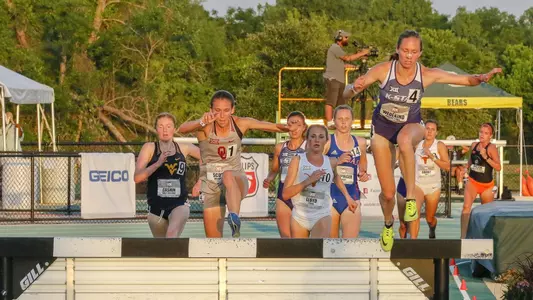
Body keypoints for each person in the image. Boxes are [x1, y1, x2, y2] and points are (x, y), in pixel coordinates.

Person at [343, 29, 502, 251]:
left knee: (406, 138)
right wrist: (353, 88)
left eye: (414, 52)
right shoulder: (383, 70)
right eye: (405, 51)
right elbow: (345, 95)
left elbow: (464, 80)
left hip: (411, 125)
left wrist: (482, 77)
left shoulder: (426, 74)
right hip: (382, 131)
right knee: (388, 194)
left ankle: (410, 199)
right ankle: (389, 223)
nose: (409, 56)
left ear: (420, 53)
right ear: (397, 50)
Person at [177, 90, 289, 238]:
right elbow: (182, 129)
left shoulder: (240, 123)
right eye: (217, 111)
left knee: (228, 175)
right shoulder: (205, 125)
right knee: (213, 240)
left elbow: (270, 126)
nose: (222, 116)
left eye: (226, 110)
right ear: (211, 110)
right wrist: (201, 121)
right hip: (212, 187)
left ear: (232, 110)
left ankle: (234, 217)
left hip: (236, 180)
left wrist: (291, 127)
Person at [282, 124, 357, 238]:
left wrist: (348, 197)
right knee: (300, 254)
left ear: (326, 141)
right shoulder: (297, 160)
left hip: (321, 214)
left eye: (321, 137)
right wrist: (307, 181)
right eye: (313, 136)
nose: (317, 140)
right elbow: (285, 194)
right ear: (307, 139)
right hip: (300, 216)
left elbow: (336, 177)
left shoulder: (331, 162)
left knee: (317, 251)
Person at [134, 112, 201, 238]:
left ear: (174, 129)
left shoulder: (184, 147)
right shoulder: (149, 148)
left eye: (169, 126)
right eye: (161, 126)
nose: (165, 130)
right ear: (156, 129)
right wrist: (157, 164)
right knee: (163, 249)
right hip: (156, 209)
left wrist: (201, 181)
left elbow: (209, 158)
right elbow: (137, 178)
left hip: (179, 204)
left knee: (171, 234)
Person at [396, 120, 449, 239]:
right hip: (418, 184)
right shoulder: (416, 144)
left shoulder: (439, 145)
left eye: (432, 129)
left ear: (436, 132)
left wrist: (432, 157)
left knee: (430, 218)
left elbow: (447, 167)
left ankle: (432, 227)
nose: (429, 131)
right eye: (427, 128)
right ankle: (413, 244)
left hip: (433, 187)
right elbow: (401, 153)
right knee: (415, 213)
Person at [324, 105, 369, 238]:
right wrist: (337, 160)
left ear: (352, 121)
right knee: (330, 247)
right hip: (330, 197)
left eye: (347, 119)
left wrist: (363, 172)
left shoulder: (360, 142)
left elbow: (363, 161)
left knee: (349, 245)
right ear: (334, 120)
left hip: (352, 195)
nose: (343, 122)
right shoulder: (327, 142)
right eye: (340, 119)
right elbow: (316, 165)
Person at [263, 111, 307, 238]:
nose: (293, 127)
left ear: (304, 127)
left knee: (300, 238)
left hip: (302, 194)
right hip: (283, 193)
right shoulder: (280, 147)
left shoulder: (308, 146)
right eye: (290, 124)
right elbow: (275, 170)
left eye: (297, 124)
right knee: (286, 237)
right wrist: (269, 179)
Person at [461, 123, 501, 238]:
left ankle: (485, 237)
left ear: (490, 136)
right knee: (466, 208)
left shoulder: (491, 148)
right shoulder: (474, 145)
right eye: (481, 132)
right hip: (473, 182)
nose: (482, 135)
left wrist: (486, 157)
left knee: (486, 213)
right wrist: (465, 168)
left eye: (486, 133)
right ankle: (463, 238)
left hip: (487, 186)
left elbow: (498, 167)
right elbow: (470, 161)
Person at [323, 30, 370, 128]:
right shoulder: (335, 47)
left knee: (341, 102)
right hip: (333, 78)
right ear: (339, 38)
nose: (347, 39)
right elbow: (348, 58)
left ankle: (340, 122)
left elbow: (341, 62)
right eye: (346, 37)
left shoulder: (338, 49)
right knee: (331, 101)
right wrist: (362, 53)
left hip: (339, 79)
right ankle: (330, 122)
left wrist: (350, 65)